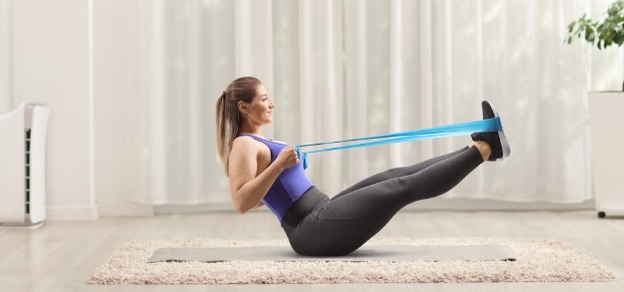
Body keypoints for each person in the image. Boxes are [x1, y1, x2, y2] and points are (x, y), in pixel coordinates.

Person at [215, 76, 511, 256]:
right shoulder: (243, 144)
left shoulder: (257, 139)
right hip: (311, 230)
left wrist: (284, 167)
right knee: (400, 188)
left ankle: (481, 144)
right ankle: (485, 150)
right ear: (243, 107)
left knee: (396, 175)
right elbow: (242, 202)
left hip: (320, 210)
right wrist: (279, 165)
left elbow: (264, 192)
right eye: (264, 99)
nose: (271, 104)